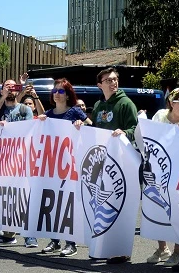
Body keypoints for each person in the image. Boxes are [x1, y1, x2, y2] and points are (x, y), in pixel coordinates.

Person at [75, 67, 137, 264]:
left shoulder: (126, 103)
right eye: (108, 80)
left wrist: (124, 132)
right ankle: (102, 247)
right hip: (102, 163)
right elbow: (96, 132)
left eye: (115, 79)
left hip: (120, 163)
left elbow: (135, 129)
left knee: (118, 205)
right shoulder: (99, 105)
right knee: (101, 206)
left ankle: (120, 250)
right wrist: (82, 126)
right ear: (99, 85)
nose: (113, 83)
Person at [146, 88, 179, 270]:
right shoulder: (160, 116)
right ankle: (162, 249)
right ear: (171, 103)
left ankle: (177, 252)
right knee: (158, 207)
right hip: (159, 172)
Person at [36, 79, 87, 257]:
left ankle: (70, 243)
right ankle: (54, 240)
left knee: (68, 204)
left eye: (61, 91)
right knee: (54, 204)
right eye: (55, 91)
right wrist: (39, 122)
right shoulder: (48, 115)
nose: (57, 94)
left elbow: (92, 128)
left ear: (68, 94)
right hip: (53, 168)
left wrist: (82, 125)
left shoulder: (75, 112)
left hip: (71, 167)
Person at [0, 76, 37, 247]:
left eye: (13, 87)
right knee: (6, 199)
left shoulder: (24, 109)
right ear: (2, 90)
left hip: (21, 161)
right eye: (6, 87)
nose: (10, 89)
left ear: (17, 90)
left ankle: (30, 236)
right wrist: (2, 98)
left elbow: (29, 129)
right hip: (1, 162)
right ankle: (8, 234)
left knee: (24, 198)